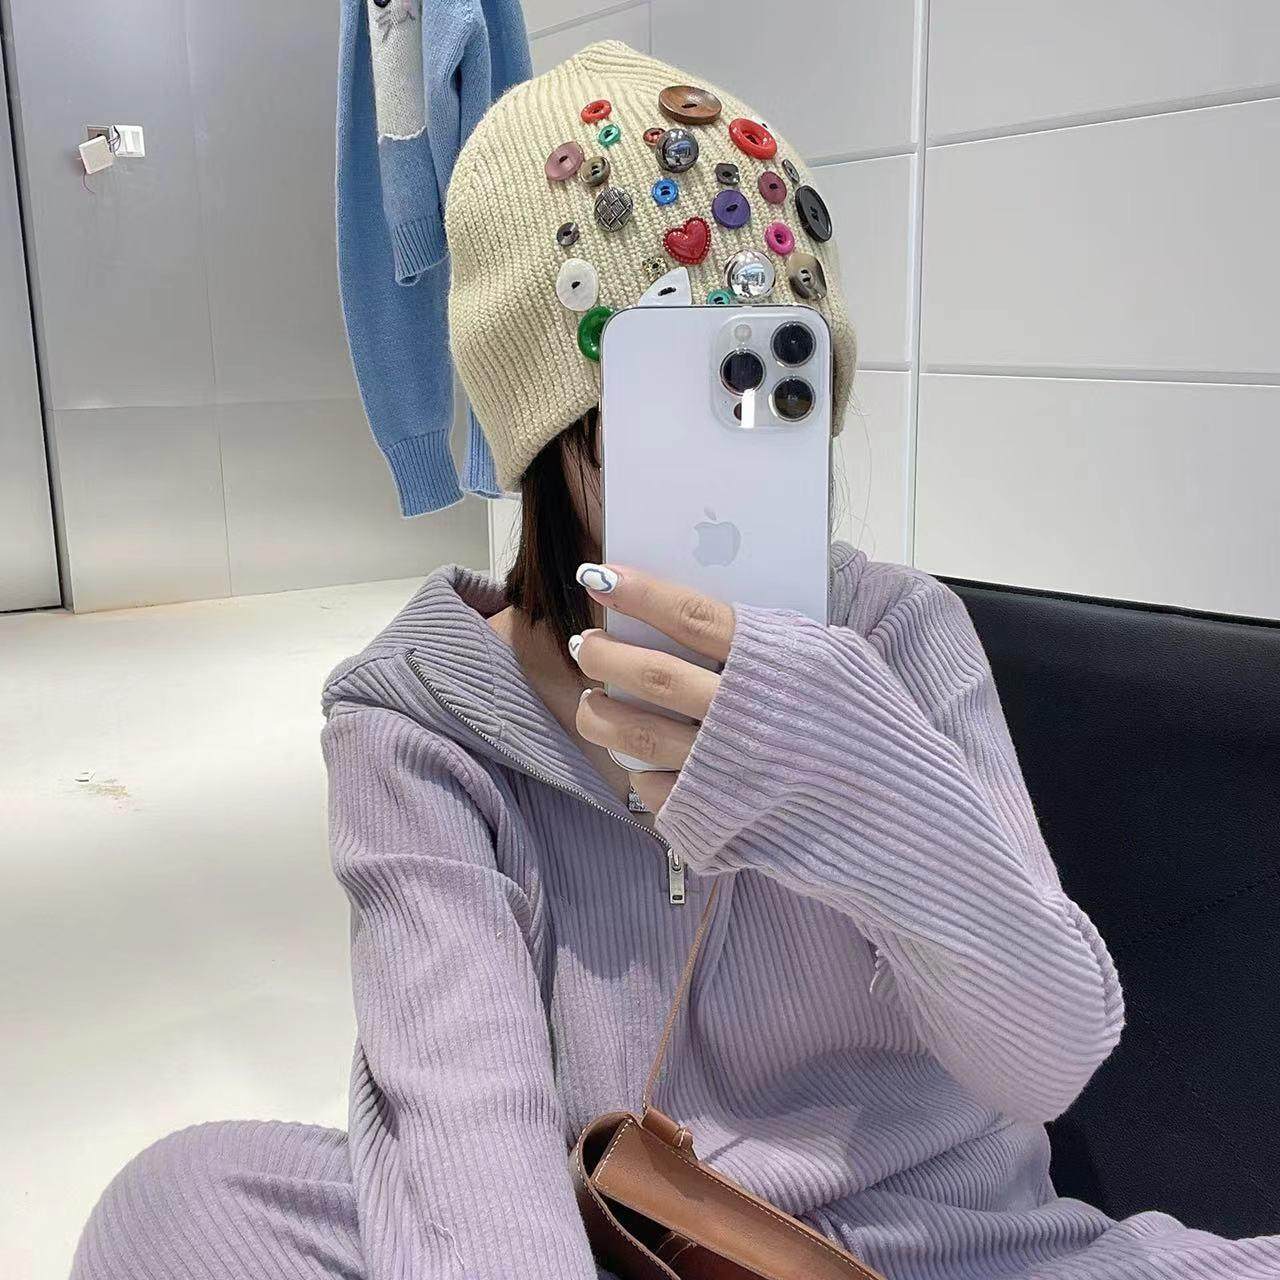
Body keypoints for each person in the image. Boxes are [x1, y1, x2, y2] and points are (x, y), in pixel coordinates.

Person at [70, 41, 1279, 1280]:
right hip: (614, 1244)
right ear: (545, 433)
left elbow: (1047, 1058)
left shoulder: (896, 635)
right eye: (658, 406)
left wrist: (861, 777)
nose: (721, 463)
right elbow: (468, 1134)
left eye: (769, 395)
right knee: (182, 1205)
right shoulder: (419, 724)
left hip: (958, 1252)